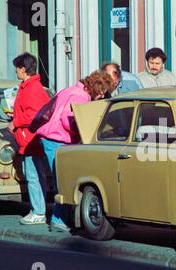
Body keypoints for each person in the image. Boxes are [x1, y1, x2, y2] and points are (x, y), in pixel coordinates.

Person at [37, 71, 115, 232]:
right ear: (95, 87)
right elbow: (69, 120)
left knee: (63, 179)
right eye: (101, 92)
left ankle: (63, 219)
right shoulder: (82, 98)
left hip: (50, 136)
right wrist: (83, 132)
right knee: (65, 181)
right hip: (58, 138)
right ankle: (58, 220)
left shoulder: (71, 90)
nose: (101, 96)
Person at [8, 52, 50, 225]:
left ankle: (38, 211)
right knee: (36, 174)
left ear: (23, 69)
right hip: (31, 138)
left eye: (17, 68)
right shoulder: (31, 86)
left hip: (31, 138)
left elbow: (34, 114)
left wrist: (15, 121)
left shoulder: (32, 88)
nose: (16, 71)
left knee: (34, 175)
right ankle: (38, 209)